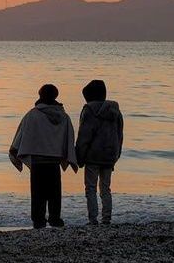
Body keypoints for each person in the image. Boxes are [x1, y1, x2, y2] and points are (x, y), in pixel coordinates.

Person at [10, 84, 78, 229]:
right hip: (54, 161)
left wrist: (14, 150)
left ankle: (38, 219)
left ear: (40, 95)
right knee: (54, 192)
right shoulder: (63, 116)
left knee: (37, 193)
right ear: (55, 96)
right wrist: (70, 156)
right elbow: (69, 137)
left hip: (38, 161)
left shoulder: (32, 115)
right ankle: (55, 218)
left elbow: (22, 134)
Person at [75, 80, 124, 225]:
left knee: (90, 188)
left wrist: (79, 157)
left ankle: (93, 219)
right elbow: (119, 135)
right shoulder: (116, 111)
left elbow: (84, 136)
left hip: (93, 156)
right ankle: (107, 218)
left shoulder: (89, 110)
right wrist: (116, 155)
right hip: (109, 155)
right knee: (105, 188)